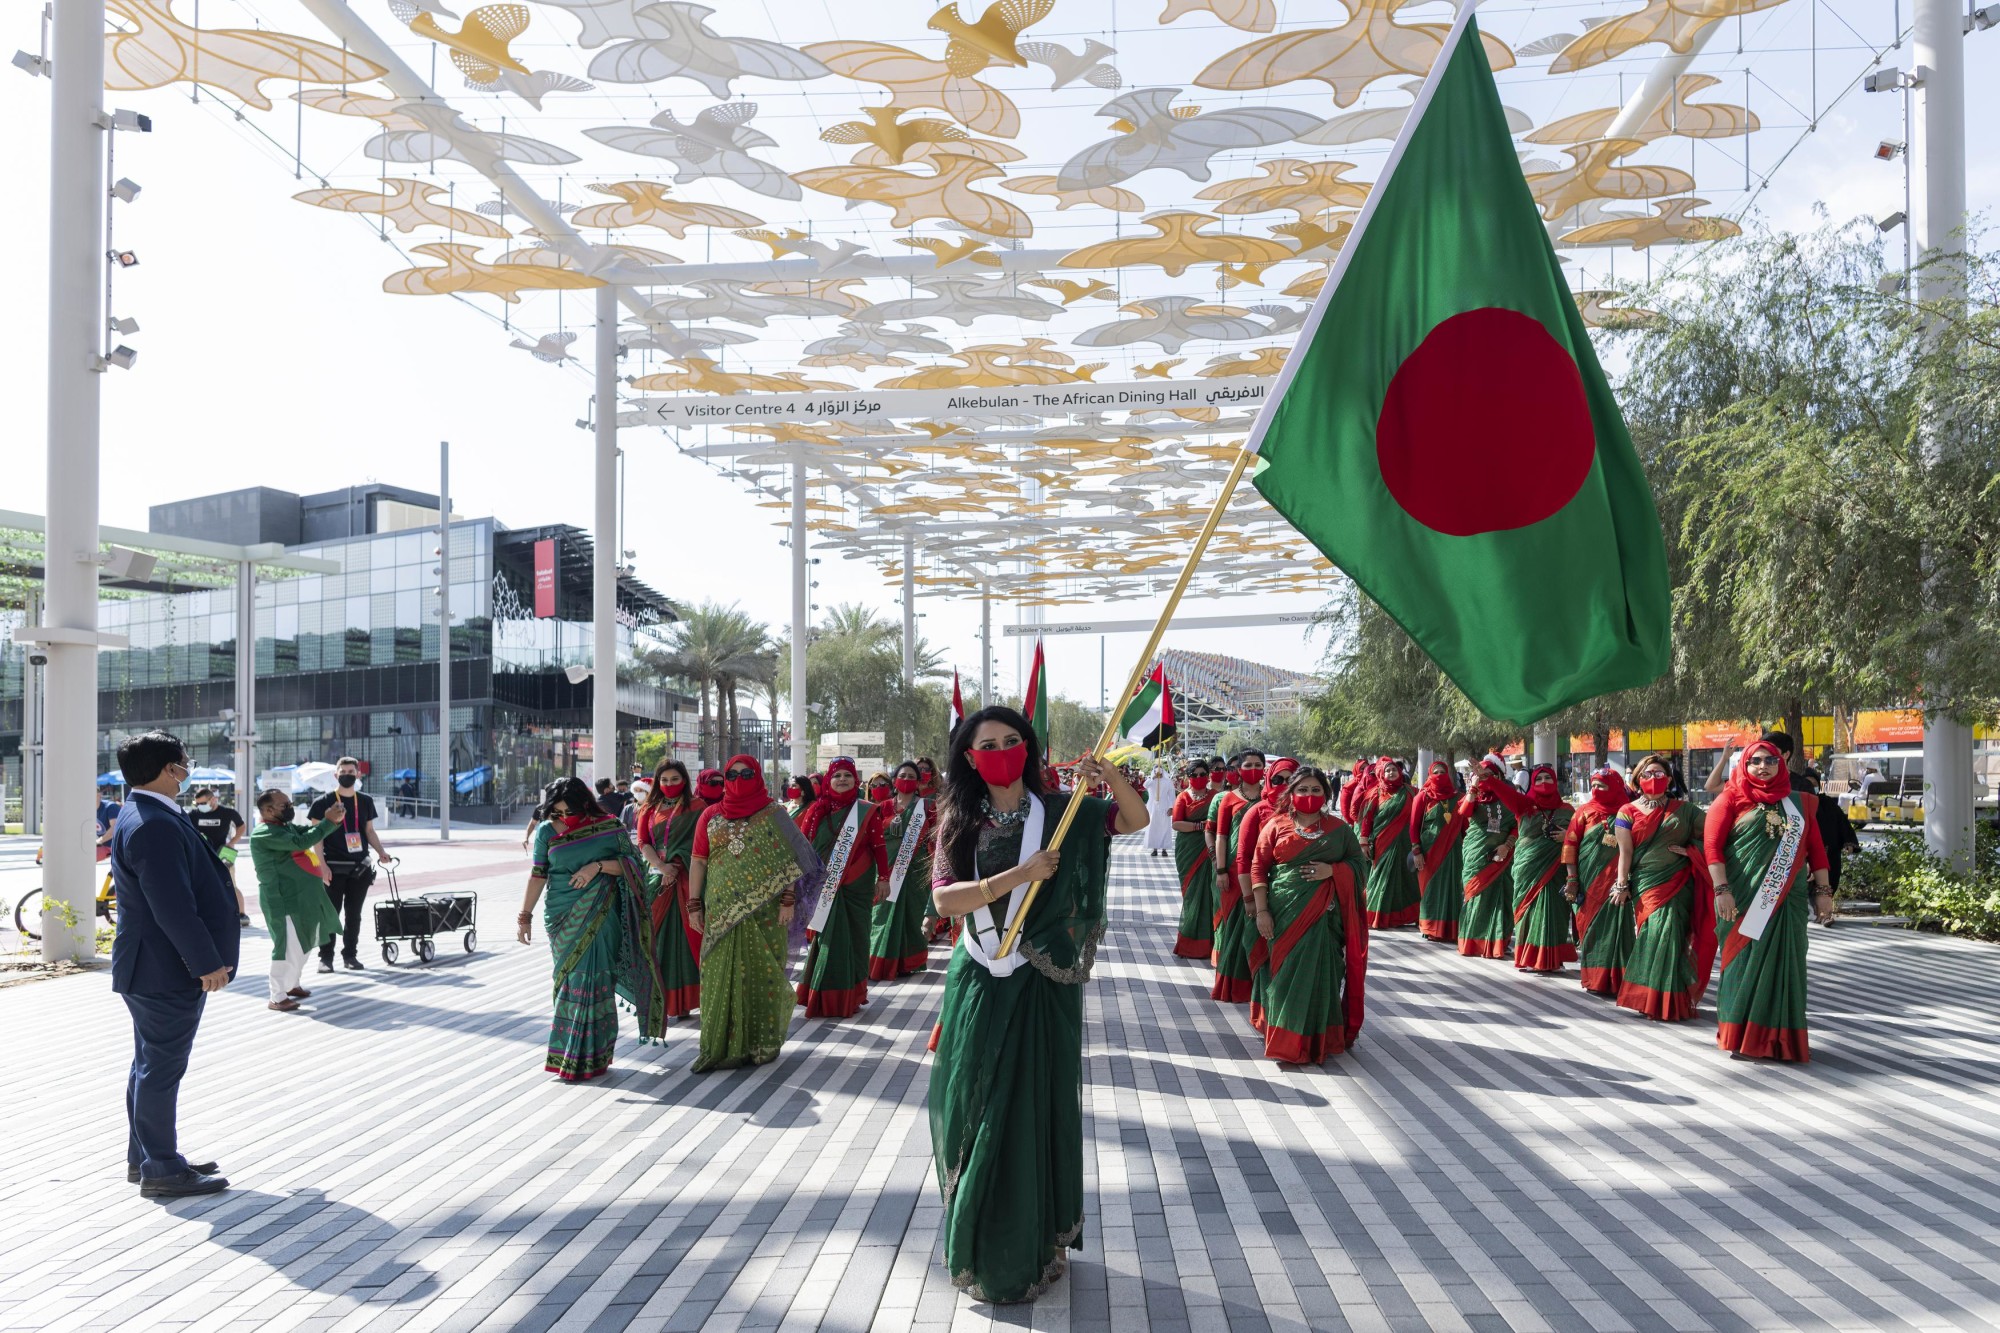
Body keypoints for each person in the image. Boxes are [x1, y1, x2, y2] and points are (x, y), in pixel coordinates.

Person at [928, 706, 1146, 1303]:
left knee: (1035, 1102)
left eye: (1011, 740)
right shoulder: (959, 820)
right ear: (969, 758)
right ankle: (980, 1237)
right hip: (981, 977)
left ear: (1028, 747)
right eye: (987, 744)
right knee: (977, 1102)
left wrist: (1110, 776)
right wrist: (1016, 877)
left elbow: (1134, 819)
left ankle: (1036, 1244)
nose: (1000, 750)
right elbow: (947, 901)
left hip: (1042, 982)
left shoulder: (1063, 814)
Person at [107, 731, 236, 1197]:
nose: (188, 771)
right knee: (160, 1068)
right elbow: (172, 907)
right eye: (184, 763)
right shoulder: (153, 823)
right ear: (167, 770)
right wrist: (207, 962)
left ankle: (146, 1157)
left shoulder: (145, 813)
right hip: (164, 969)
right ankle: (161, 1166)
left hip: (150, 966)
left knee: (149, 1064)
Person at [516, 777, 665, 1081]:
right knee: (568, 981)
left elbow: (633, 865)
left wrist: (596, 867)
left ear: (583, 803)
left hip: (602, 914)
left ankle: (593, 1056)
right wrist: (524, 916)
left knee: (596, 980)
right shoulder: (546, 831)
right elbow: (537, 875)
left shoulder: (609, 826)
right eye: (555, 813)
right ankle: (567, 1053)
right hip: (560, 916)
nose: (560, 819)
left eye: (565, 812)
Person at [688, 755, 823, 1072]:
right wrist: (694, 904)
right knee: (718, 973)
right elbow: (698, 861)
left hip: (767, 911)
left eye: (746, 773)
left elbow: (796, 857)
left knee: (764, 973)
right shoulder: (710, 815)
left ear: (758, 775)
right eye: (731, 774)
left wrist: (789, 897)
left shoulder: (775, 813)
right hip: (720, 910)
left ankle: (760, 1043)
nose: (738, 778)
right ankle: (717, 1046)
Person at [1705, 739, 1832, 1060]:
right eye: (1755, 761)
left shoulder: (1799, 803)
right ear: (1744, 765)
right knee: (1742, 962)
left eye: (1770, 760)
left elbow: (1817, 850)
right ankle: (1741, 1035)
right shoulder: (1730, 799)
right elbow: (1712, 849)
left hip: (1789, 900)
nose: (1763, 766)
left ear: (1782, 764)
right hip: (1743, 898)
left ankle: (1782, 1038)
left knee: (1788, 962)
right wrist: (1721, 890)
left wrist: (1824, 892)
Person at [1246, 767, 1369, 1064]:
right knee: (1283, 975)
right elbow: (1258, 868)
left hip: (1324, 920)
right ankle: (1285, 1040)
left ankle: (1316, 1041)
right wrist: (1261, 911)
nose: (1309, 795)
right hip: (1281, 915)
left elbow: (1360, 867)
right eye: (1303, 790)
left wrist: (1333, 871)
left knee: (1320, 976)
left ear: (1326, 794)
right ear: (1292, 793)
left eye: (1316, 790)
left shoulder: (1339, 830)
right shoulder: (1275, 825)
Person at [1612, 753, 1714, 1021]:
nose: (1653, 779)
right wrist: (1621, 885)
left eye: (1659, 774)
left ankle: (1670, 1000)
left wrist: (1691, 850)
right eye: (1647, 774)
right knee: (1654, 935)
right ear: (1637, 780)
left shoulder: (1687, 810)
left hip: (1679, 884)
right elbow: (1625, 852)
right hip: (1646, 885)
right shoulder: (1627, 811)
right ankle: (1649, 997)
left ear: (1669, 779)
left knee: (1673, 939)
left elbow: (1713, 839)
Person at [795, 757, 890, 1017]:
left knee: (855, 939)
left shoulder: (865, 810)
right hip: (824, 886)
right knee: (827, 939)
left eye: (847, 775)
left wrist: (884, 879)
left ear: (856, 780)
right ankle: (824, 996)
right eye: (837, 776)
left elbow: (879, 847)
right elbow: (804, 847)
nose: (842, 780)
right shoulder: (816, 811)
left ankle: (852, 994)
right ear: (828, 780)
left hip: (857, 887)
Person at [246, 789, 346, 1013]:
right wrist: (328, 822)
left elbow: (310, 831)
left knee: (304, 942)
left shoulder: (284, 827)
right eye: (285, 805)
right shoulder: (264, 833)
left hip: (301, 898)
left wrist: (332, 821)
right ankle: (277, 996)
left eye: (289, 803)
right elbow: (303, 841)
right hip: (281, 900)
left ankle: (292, 985)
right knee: (287, 946)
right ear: (269, 810)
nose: (290, 807)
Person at [307, 758, 396, 974]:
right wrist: (322, 866)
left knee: (354, 914)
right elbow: (316, 838)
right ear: (336, 775)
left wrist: (381, 852)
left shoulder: (364, 801)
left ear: (358, 775)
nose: (347, 774)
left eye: (351, 771)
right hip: (333, 868)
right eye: (343, 771)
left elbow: (369, 831)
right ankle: (325, 958)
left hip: (360, 868)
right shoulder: (322, 803)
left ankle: (350, 956)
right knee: (330, 914)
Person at [637, 759, 703, 1018]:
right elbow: (643, 842)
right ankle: (659, 1000)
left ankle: (686, 1001)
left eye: (675, 779)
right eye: (664, 780)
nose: (669, 784)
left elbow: (701, 844)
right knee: (656, 940)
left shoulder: (697, 807)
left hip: (687, 880)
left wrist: (676, 864)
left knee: (684, 942)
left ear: (685, 780)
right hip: (655, 880)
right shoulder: (649, 808)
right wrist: (662, 866)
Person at [1564, 766, 1633, 996]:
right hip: (1588, 882)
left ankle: (1617, 980)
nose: (1596, 790)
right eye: (1593, 785)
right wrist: (1572, 878)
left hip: (1618, 884)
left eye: (1601, 786)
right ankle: (1594, 979)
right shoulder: (1583, 812)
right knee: (1591, 929)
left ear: (1615, 786)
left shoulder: (1628, 811)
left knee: (1618, 930)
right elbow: (1570, 846)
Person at [1206, 751, 1268, 1002]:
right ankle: (1235, 985)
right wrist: (1220, 869)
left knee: (1259, 925)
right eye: (1248, 765)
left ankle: (1259, 984)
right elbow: (1220, 836)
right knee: (1234, 927)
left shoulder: (1272, 797)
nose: (1253, 769)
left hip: (1265, 870)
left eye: (1258, 765)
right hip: (1233, 870)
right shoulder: (1228, 799)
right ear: (1239, 769)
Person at [868, 760, 934, 980]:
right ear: (895, 781)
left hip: (916, 872)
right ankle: (878, 962)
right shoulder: (883, 808)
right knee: (881, 917)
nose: (906, 780)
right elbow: (873, 841)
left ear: (918, 783)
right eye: (902, 776)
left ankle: (907, 963)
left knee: (911, 916)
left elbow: (936, 839)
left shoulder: (928, 807)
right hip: (886, 872)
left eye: (911, 777)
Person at [1510, 764, 1576, 974]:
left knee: (1556, 912)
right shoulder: (1524, 805)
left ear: (1556, 782)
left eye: (1548, 778)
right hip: (1528, 867)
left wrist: (1567, 835)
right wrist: (1486, 779)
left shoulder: (1568, 810)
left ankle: (1554, 957)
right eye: (1538, 779)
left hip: (1556, 868)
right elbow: (1503, 793)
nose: (1543, 783)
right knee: (1528, 911)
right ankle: (1529, 957)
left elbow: (1581, 836)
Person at [1456, 755, 1520, 959]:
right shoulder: (1474, 795)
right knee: (1476, 895)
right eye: (1481, 773)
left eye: (1490, 774)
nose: (1485, 777)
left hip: (1503, 852)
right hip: (1476, 852)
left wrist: (1507, 845)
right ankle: (1473, 942)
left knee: (1502, 896)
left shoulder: (1510, 796)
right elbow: (1464, 812)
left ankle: (1498, 942)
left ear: (1499, 776)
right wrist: (1473, 788)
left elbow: (1518, 824)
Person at [1410, 760, 1469, 944]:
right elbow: (1414, 826)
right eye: (1435, 772)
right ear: (1429, 774)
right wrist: (1417, 851)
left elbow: (1466, 827)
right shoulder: (1422, 797)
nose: (1439, 775)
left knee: (1452, 889)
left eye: (1443, 772)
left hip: (1453, 852)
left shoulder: (1459, 798)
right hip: (1428, 853)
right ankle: (1429, 927)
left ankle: (1450, 929)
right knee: (1430, 890)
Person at [1359, 758, 1419, 928]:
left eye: (1394, 770)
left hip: (1407, 843)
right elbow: (1366, 820)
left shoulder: (1411, 792)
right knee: (1381, 878)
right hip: (1382, 843)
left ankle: (1408, 915)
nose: (1391, 773)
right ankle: (1377, 915)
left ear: (1400, 772)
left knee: (1407, 878)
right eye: (1387, 770)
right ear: (1381, 774)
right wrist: (1364, 842)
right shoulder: (1375, 793)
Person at [1169, 760, 1219, 959]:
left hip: (1211, 848)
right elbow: (1176, 824)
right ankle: (1190, 944)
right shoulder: (1183, 797)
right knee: (1192, 895)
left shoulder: (1215, 796)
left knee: (1210, 893)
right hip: (1189, 850)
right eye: (1195, 775)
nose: (1199, 778)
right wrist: (1200, 826)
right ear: (1189, 777)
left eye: (1202, 774)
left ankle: (1212, 944)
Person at [188, 787, 251, 927]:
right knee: (202, 884)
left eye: (203, 803)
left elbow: (241, 826)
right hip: (202, 854)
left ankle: (241, 914)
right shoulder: (194, 814)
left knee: (230, 883)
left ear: (213, 799)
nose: (200, 806)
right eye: (197, 803)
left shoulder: (227, 812)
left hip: (223, 853)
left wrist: (232, 843)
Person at [1795, 771, 1861, 895]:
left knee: (1828, 881)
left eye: (1814, 784)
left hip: (1829, 852)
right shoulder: (1796, 805)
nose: (1811, 786)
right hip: (1803, 854)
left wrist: (1849, 841)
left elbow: (1842, 822)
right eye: (1808, 784)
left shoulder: (1828, 803)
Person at [1144, 765, 1175, 857]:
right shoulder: (1151, 781)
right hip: (1152, 807)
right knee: (1153, 827)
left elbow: (1172, 796)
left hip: (1164, 807)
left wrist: (1171, 807)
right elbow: (1145, 785)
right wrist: (1153, 778)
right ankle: (1154, 849)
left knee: (1165, 827)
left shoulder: (1168, 782)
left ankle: (1164, 849)